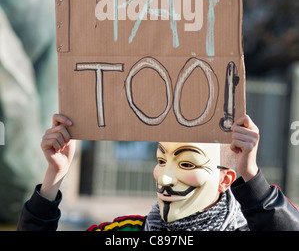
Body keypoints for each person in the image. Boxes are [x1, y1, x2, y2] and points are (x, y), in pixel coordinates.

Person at [17, 114, 299, 231]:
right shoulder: (126, 232)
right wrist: (55, 176)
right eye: (161, 160)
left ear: (225, 180)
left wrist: (250, 173)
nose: (164, 178)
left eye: (187, 164)